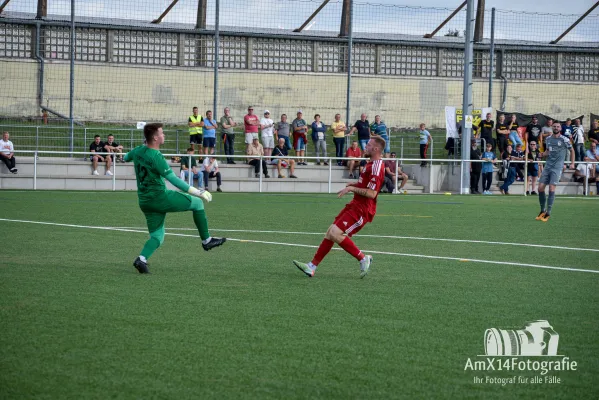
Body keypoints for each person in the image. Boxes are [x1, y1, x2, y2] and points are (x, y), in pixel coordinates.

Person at [123, 123, 225, 274]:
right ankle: (207, 241)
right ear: (156, 138)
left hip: (145, 201)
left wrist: (142, 148)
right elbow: (174, 180)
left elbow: (126, 157)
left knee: (157, 236)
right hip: (160, 197)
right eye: (162, 133)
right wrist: (198, 191)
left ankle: (141, 259)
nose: (164, 135)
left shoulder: (138, 150)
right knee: (197, 203)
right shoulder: (156, 156)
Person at [292, 136, 387, 279]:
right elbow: (365, 185)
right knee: (330, 232)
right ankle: (312, 266)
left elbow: (372, 193)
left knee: (336, 233)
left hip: (363, 209)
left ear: (376, 149)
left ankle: (363, 258)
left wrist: (351, 189)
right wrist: (353, 185)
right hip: (355, 204)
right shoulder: (369, 163)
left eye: (368, 145)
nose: (365, 147)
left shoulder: (376, 166)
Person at [536, 121, 575, 222]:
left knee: (551, 189)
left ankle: (548, 213)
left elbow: (572, 150)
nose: (556, 128)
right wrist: (542, 154)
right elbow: (548, 151)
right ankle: (542, 210)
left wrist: (572, 163)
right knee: (540, 188)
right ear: (552, 127)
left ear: (560, 129)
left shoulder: (564, 139)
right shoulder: (548, 139)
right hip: (548, 166)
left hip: (557, 168)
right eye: (554, 126)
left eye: (558, 126)